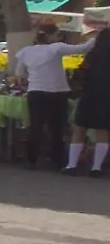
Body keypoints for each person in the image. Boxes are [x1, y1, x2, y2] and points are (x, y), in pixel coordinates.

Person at [10, 23, 94, 170]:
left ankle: (31, 160)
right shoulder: (56, 48)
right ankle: (57, 160)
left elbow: (19, 74)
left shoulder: (25, 52)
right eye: (57, 34)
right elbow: (83, 48)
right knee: (57, 128)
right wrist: (95, 36)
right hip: (57, 93)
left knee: (35, 127)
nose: (59, 37)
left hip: (35, 92)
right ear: (49, 36)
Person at [64, 29, 110, 176]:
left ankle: (72, 165)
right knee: (102, 131)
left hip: (89, 96)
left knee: (80, 129)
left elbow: (80, 74)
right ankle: (96, 167)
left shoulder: (92, 56)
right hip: (106, 98)